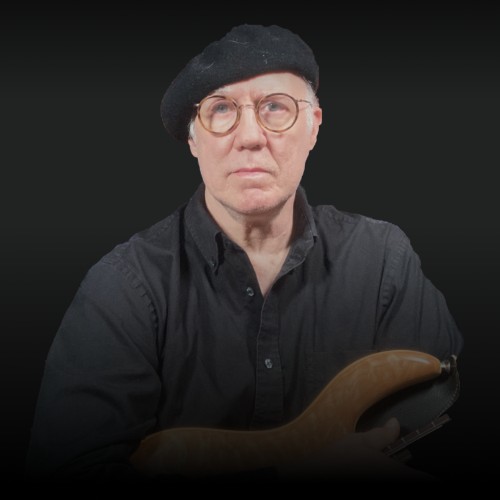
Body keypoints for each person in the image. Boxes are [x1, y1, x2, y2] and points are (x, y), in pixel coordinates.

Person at [26, 24, 463, 482]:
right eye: (221, 109)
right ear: (194, 140)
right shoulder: (123, 288)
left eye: (275, 107)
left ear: (314, 126)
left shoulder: (384, 260)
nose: (251, 136)